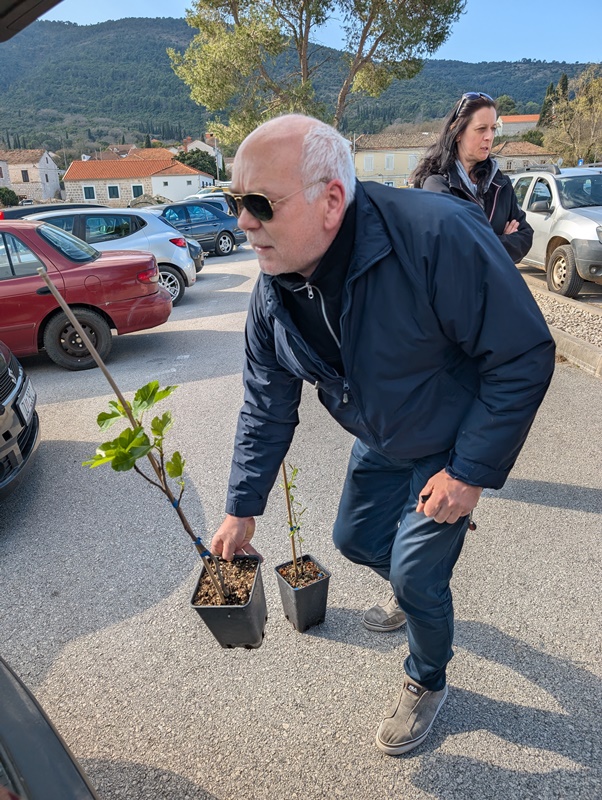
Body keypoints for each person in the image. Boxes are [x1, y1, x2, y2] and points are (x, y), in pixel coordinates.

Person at [210, 114, 555, 756]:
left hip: (449, 444)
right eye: (236, 202)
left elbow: (522, 355)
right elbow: (265, 403)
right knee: (355, 540)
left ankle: (427, 675)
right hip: (380, 434)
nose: (243, 221)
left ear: (331, 200)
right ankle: (415, 585)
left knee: (418, 575)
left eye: (260, 203)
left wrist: (468, 475)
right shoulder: (274, 291)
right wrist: (241, 508)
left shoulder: (437, 234)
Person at [411, 92, 533, 264]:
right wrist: (502, 242)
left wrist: (481, 243)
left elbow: (525, 236)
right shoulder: (437, 185)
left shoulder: (500, 183)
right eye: (481, 129)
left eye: (493, 129)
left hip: (495, 282)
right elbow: (454, 247)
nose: (489, 137)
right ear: (458, 133)